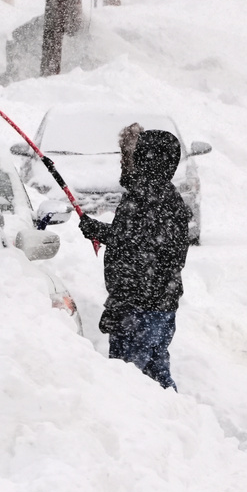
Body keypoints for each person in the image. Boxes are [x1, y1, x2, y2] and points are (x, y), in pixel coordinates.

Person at [78, 124, 192, 391]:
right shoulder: (167, 197)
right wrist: (101, 231)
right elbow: (139, 241)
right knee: (156, 375)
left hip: (138, 308)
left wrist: (102, 233)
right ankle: (179, 424)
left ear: (144, 158)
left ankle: (151, 427)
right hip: (159, 305)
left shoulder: (145, 197)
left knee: (128, 384)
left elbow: (135, 245)